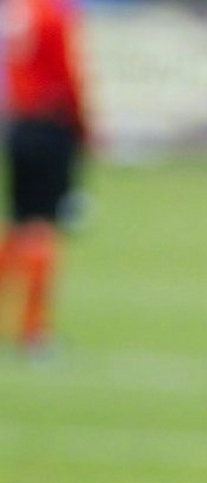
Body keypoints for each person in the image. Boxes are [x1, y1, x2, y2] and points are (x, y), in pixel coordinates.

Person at [0, 0, 91, 354]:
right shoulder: (53, 15)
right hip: (49, 124)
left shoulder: (18, 10)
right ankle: (34, 330)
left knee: (19, 225)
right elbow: (68, 74)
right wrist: (84, 128)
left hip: (20, 124)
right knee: (43, 228)